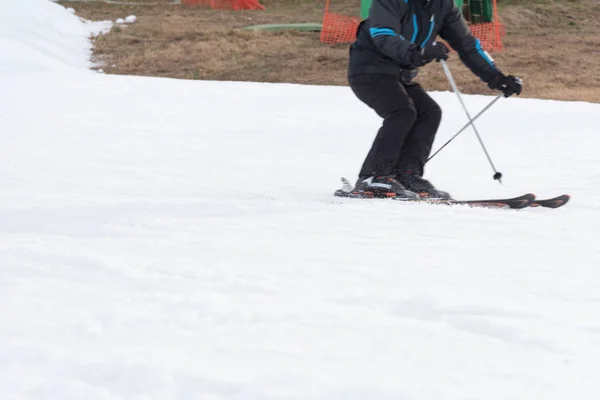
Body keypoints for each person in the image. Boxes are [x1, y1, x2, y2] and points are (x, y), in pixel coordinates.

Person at [347, 0, 523, 199]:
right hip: (368, 70)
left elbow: (467, 45)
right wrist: (418, 53)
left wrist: (496, 77)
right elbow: (383, 35)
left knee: (429, 112)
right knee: (401, 111)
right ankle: (372, 177)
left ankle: (407, 176)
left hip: (400, 74)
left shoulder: (443, 6)